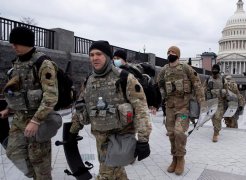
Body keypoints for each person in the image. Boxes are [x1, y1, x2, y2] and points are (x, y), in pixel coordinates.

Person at [69, 41, 151, 180]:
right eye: (91, 55)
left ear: (108, 56)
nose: (94, 58)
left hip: (120, 137)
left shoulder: (125, 78)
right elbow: (81, 105)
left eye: (99, 54)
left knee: (106, 174)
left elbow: (141, 109)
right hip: (100, 137)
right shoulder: (89, 80)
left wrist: (143, 140)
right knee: (117, 173)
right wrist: (73, 130)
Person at [0, 26, 58, 179]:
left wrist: (36, 121)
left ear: (26, 42)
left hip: (37, 121)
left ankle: (42, 175)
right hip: (19, 119)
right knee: (13, 152)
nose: (13, 46)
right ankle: (37, 175)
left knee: (39, 160)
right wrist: (9, 108)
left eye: (16, 43)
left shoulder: (43, 63)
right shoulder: (17, 63)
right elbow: (17, 91)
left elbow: (51, 96)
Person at [157, 46, 205, 175]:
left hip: (183, 108)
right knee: (171, 134)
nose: (170, 54)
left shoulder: (185, 68)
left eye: (173, 52)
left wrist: (202, 103)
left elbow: (197, 84)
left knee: (179, 132)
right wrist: (162, 96)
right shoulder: (164, 70)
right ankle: (174, 158)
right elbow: (159, 83)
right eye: (168, 52)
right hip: (170, 108)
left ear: (178, 55)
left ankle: (181, 158)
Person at [204, 64, 227, 142]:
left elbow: (226, 90)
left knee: (217, 117)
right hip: (211, 102)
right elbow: (203, 89)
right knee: (213, 118)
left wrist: (221, 92)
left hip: (220, 102)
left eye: (216, 70)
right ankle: (216, 129)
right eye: (213, 69)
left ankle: (215, 133)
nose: (214, 71)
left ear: (218, 70)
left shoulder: (223, 79)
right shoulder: (208, 79)